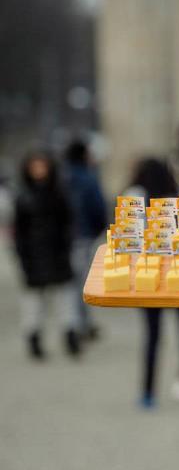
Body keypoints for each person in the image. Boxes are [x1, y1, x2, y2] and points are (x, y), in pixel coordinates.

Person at [128, 158, 179, 409]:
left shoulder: (135, 195)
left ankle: (148, 391)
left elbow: (129, 234)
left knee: (152, 336)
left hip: (149, 275)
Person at [13, 150, 81, 359]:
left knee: (66, 298)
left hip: (57, 253)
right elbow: (19, 231)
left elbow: (68, 223)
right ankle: (34, 337)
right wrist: (23, 257)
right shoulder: (23, 196)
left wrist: (67, 247)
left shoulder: (59, 193)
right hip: (34, 255)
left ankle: (70, 334)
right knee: (34, 303)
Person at [64, 139, 107, 341]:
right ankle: (80, 325)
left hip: (65, 237)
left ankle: (76, 323)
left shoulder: (61, 177)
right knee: (83, 283)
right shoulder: (88, 178)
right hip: (83, 235)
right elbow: (98, 208)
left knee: (71, 283)